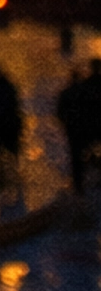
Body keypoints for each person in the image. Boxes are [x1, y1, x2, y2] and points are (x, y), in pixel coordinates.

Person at [55, 58, 101, 193]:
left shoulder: (74, 90)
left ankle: (79, 184)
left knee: (77, 157)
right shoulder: (86, 87)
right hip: (92, 126)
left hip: (76, 129)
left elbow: (61, 112)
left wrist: (66, 123)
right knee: (88, 152)